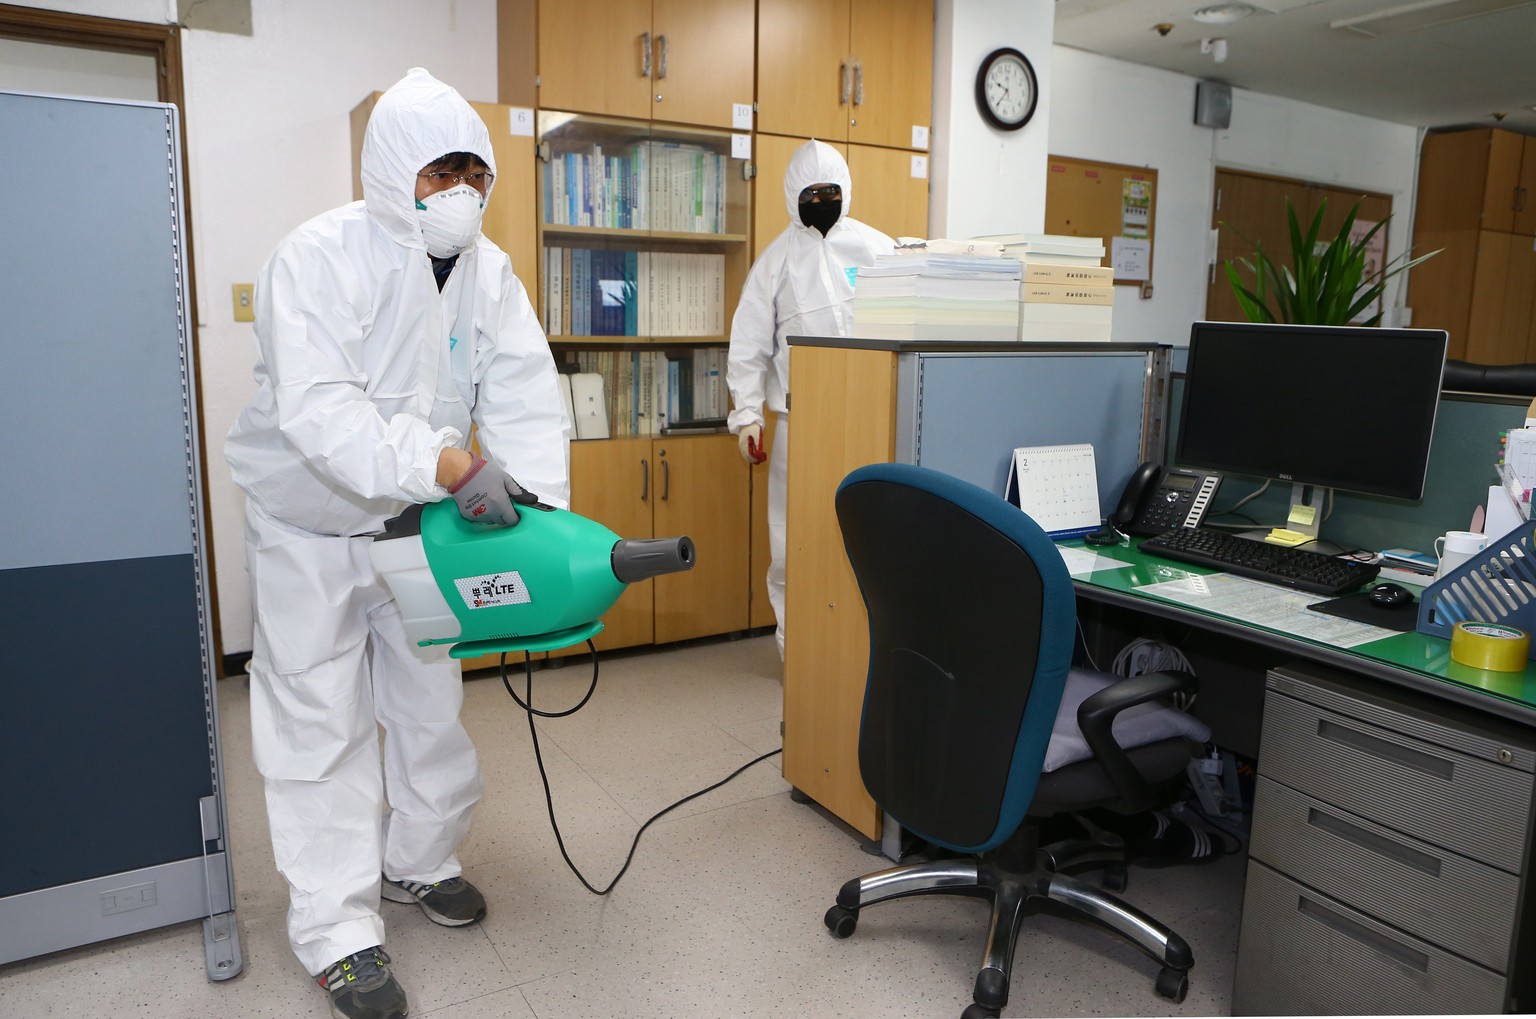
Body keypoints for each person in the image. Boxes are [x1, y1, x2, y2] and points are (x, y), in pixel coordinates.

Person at [225, 67, 570, 1019]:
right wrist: (453, 464)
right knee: (320, 720)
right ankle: (338, 932)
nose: (459, 191)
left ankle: (419, 860)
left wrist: (541, 513)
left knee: (428, 697)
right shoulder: (316, 258)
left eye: (474, 172)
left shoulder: (489, 272)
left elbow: (526, 393)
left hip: (421, 524)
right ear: (391, 173)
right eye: (437, 171)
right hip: (311, 524)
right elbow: (325, 416)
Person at [726, 140, 895, 658]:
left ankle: (871, 650)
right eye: (811, 191)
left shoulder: (879, 249)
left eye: (831, 190)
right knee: (793, 538)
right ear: (791, 195)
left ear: (846, 190)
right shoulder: (775, 261)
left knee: (876, 536)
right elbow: (749, 344)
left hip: (871, 416)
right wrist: (747, 417)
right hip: (801, 424)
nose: (821, 199)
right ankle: (796, 653)